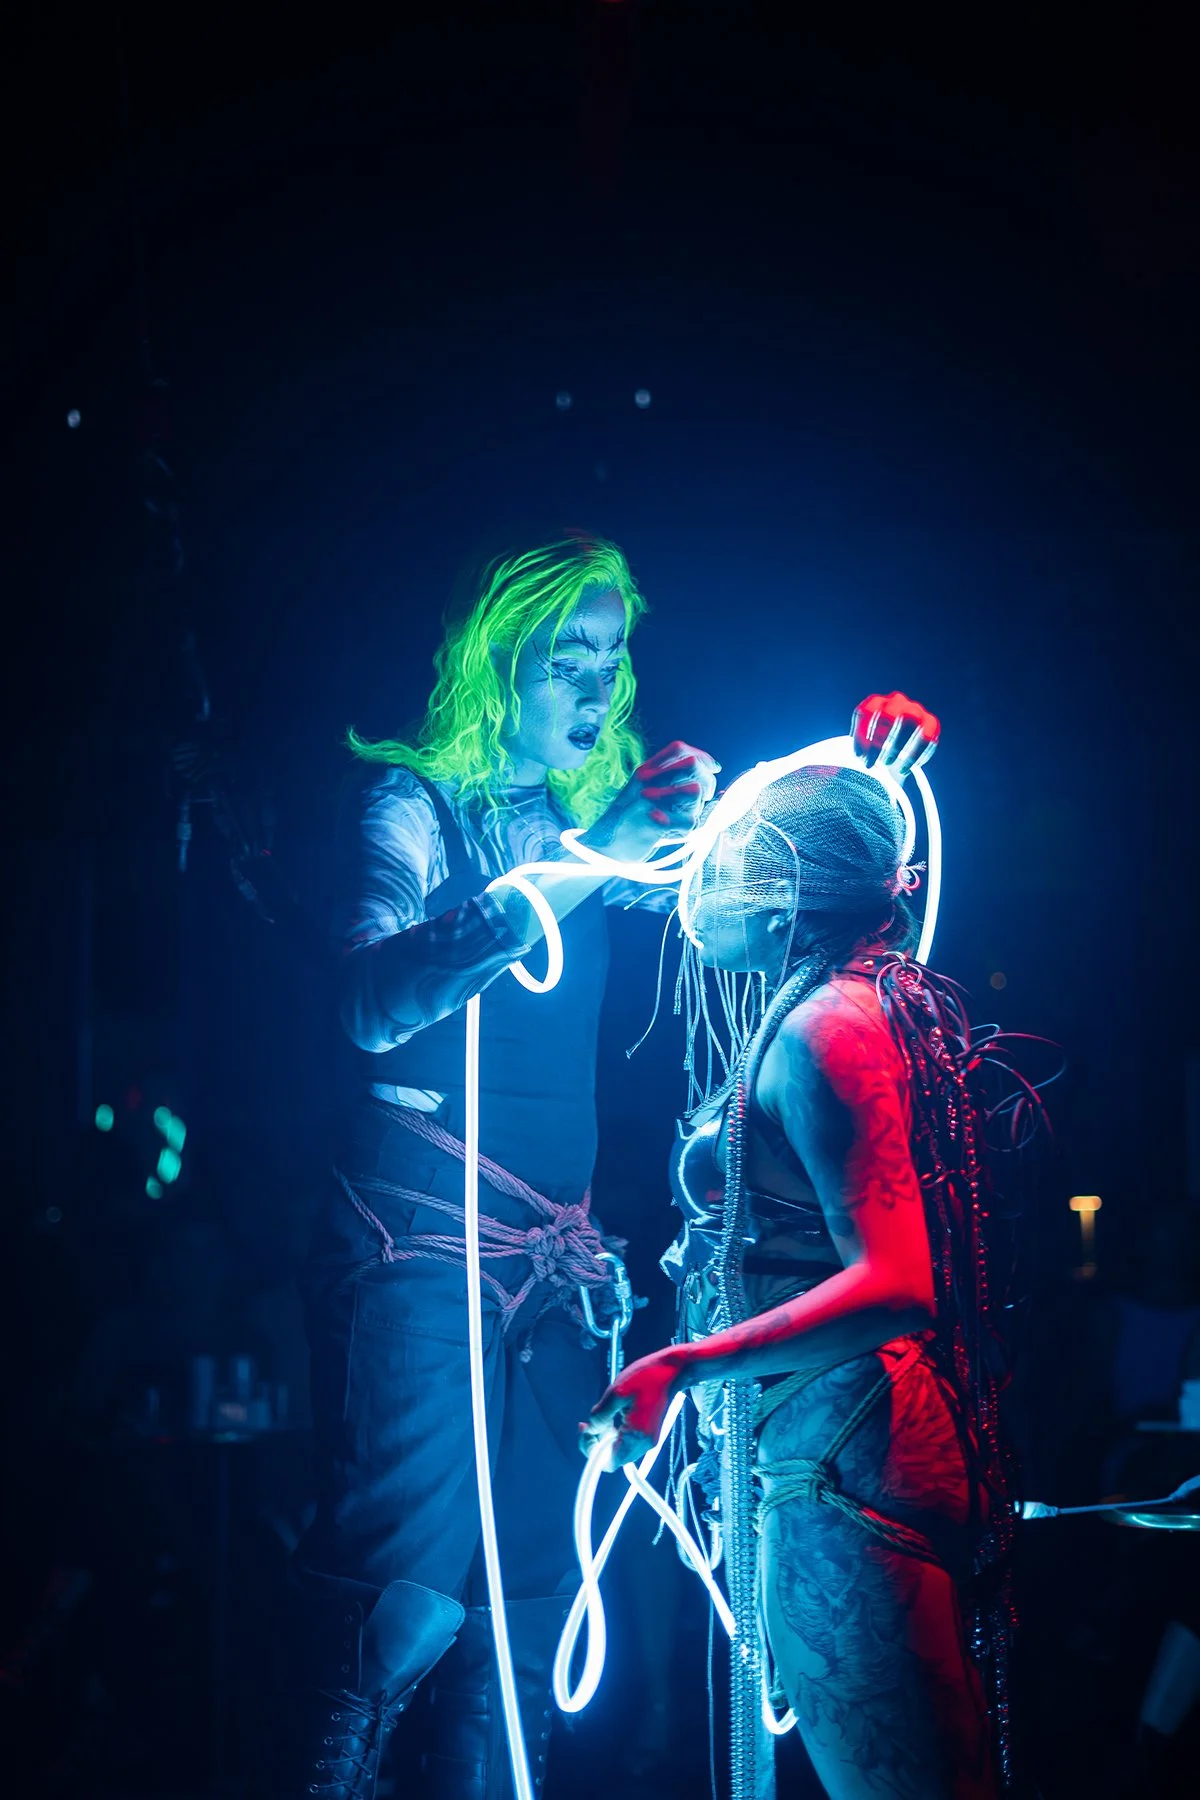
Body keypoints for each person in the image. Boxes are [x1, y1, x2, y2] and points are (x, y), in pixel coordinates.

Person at [293, 530, 933, 1800]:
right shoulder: (415, 805)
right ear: (498, 665)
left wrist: (853, 765)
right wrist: (590, 854)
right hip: (420, 1242)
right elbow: (367, 1005)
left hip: (560, 1258)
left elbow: (748, 869)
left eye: (611, 654)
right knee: (407, 1610)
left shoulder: (589, 821)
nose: (595, 687)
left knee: (530, 1621)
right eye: (562, 657)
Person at [586, 756, 1025, 1800]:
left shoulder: (831, 1026)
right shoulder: (851, 1003)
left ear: (790, 885)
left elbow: (896, 1279)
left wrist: (685, 1364)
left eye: (735, 852)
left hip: (843, 1468)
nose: (705, 877)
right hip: (841, 1451)